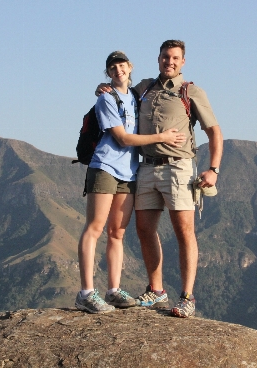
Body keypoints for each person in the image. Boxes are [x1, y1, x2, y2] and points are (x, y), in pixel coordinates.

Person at [96, 40, 223, 318]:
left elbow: (214, 131)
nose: (170, 62)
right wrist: (102, 87)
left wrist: (213, 169)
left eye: (175, 58)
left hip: (179, 168)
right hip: (146, 167)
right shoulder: (143, 88)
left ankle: (187, 297)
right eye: (166, 57)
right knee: (144, 229)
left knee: (183, 231)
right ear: (158, 59)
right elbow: (119, 91)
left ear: (183, 61)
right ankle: (157, 290)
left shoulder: (190, 92)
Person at [75, 51, 186, 314]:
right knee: (95, 227)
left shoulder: (137, 95)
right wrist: (163, 138)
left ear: (129, 67)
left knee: (117, 232)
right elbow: (123, 139)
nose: (117, 70)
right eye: (112, 67)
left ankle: (113, 290)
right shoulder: (106, 99)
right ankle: (86, 293)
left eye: (121, 65)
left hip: (129, 172)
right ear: (108, 73)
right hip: (104, 167)